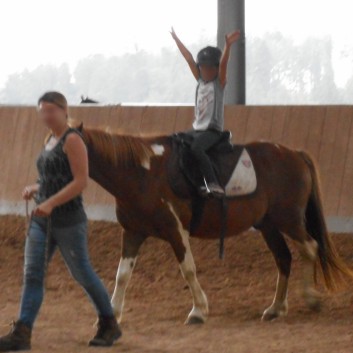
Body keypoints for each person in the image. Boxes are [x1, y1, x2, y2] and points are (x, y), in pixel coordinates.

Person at [0, 91, 121, 351]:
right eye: (42, 111)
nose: (46, 116)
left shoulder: (73, 139)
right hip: (42, 219)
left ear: (64, 111)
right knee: (32, 274)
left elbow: (81, 181)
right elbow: (55, 176)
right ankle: (23, 331)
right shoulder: (50, 139)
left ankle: (109, 322)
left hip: (68, 220)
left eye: (50, 110)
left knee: (82, 273)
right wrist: (37, 187)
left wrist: (51, 202)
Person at [170, 27, 240, 197]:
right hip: (197, 129)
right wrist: (176, 39)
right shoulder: (200, 81)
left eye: (210, 68)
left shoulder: (218, 85)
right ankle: (198, 183)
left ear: (216, 70)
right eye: (203, 68)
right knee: (177, 143)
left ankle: (213, 183)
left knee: (197, 148)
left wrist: (228, 46)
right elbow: (188, 58)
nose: (206, 71)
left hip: (212, 130)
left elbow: (224, 64)